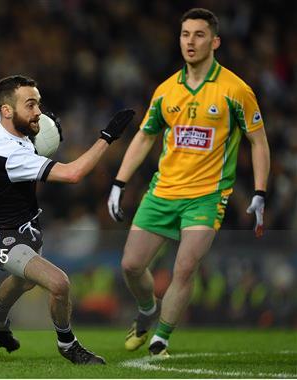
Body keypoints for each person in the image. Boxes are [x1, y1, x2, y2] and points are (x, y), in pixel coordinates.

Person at [106, 8, 270, 357]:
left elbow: (259, 141)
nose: (190, 42)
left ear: (215, 41)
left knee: (185, 265)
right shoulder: (166, 90)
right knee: (131, 266)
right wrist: (119, 182)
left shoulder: (236, 90)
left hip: (207, 195)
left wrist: (259, 191)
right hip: (162, 192)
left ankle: (160, 339)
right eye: (185, 34)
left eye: (198, 34)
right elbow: (145, 136)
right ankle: (148, 309)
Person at [0, 75, 134, 365]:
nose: (38, 112)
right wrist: (106, 138)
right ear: (7, 111)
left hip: (23, 226)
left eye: (39, 103)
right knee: (59, 284)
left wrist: (37, 128)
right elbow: (73, 174)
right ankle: (67, 343)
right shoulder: (10, 155)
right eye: (31, 105)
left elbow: (24, 133)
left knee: (23, 282)